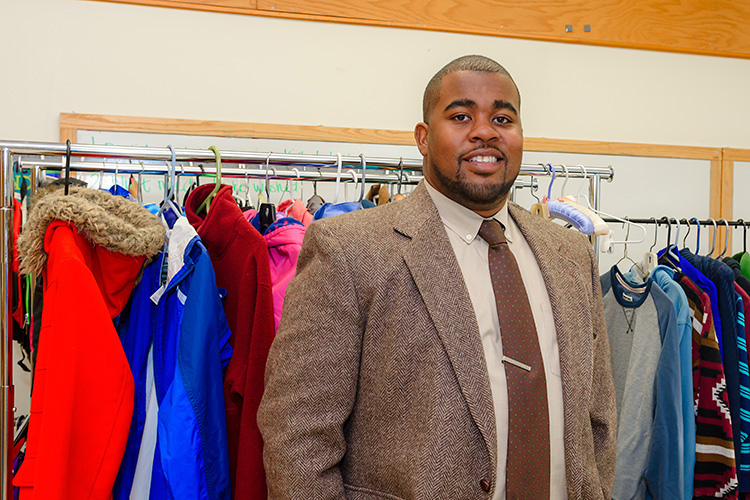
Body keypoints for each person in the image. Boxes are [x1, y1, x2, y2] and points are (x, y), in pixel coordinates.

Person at [258, 55, 617, 500]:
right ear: (423, 138)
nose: (485, 131)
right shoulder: (348, 250)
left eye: (502, 118)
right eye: (461, 116)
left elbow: (597, 419)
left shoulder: (569, 253)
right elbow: (298, 435)